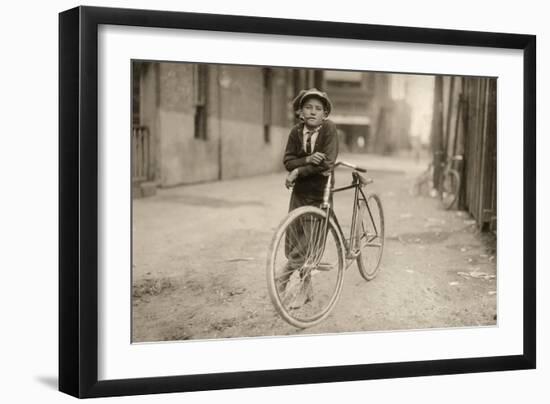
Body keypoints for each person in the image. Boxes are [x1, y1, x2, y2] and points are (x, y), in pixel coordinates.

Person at [280, 88, 339, 308]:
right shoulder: (296, 132)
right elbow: (287, 160)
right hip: (300, 193)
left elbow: (327, 163)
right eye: (308, 107)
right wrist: (306, 160)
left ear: (325, 114)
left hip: (319, 192)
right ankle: (306, 289)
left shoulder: (329, 129)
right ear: (300, 112)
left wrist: (298, 171)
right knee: (295, 237)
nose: (313, 112)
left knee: (311, 243)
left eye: (318, 108)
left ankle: (283, 278)